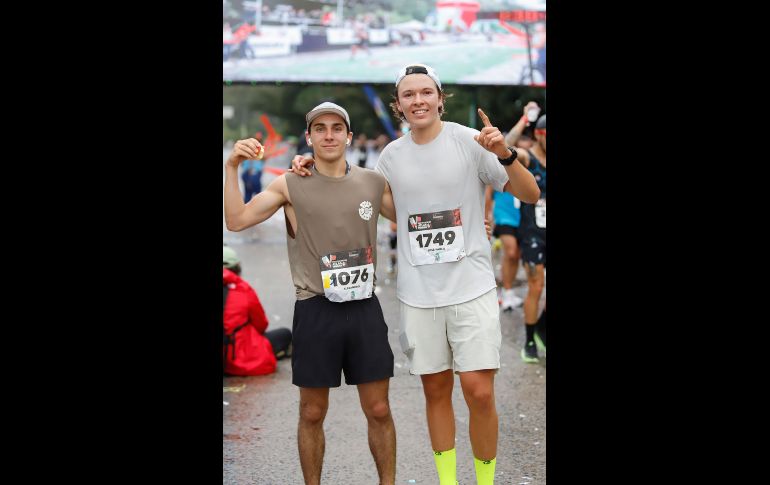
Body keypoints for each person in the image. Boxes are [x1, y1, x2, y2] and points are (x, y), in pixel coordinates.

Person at [224, 102, 397, 485]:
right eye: (321, 128)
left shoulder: (373, 181)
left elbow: (415, 217)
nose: (330, 134)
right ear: (310, 137)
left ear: (349, 137)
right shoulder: (290, 183)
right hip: (316, 309)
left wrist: (474, 216)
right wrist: (232, 165)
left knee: (380, 409)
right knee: (312, 413)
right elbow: (236, 221)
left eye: (338, 128)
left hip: (365, 307)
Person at [506, 112, 546, 363]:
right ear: (539, 135)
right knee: (536, 286)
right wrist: (524, 118)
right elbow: (505, 146)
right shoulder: (528, 157)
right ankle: (530, 340)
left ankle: (541, 327)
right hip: (533, 233)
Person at [223, 246, 292, 376]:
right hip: (239, 360)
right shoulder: (243, 290)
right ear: (237, 267)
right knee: (284, 334)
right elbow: (261, 324)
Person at [485, 185, 524, 311]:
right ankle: (506, 292)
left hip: (521, 216)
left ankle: (509, 291)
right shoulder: (500, 165)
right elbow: (488, 193)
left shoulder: (523, 165)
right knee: (511, 252)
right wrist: (486, 217)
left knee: (516, 255)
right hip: (503, 215)